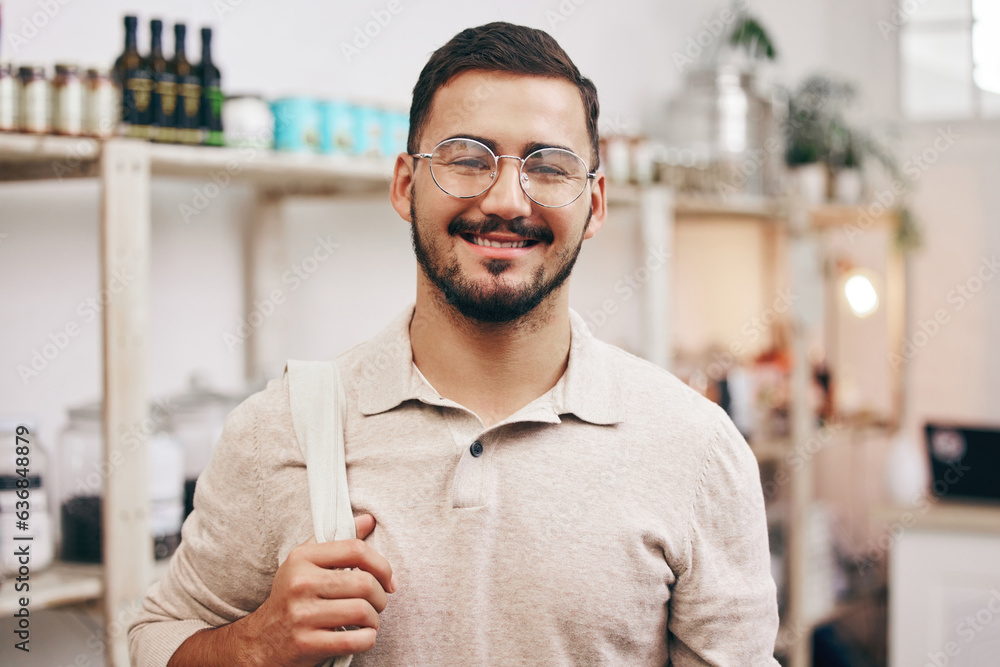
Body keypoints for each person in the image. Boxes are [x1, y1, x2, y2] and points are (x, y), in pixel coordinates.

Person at [128, 22, 779, 666]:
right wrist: (255, 643)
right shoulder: (281, 430)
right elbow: (152, 640)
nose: (505, 199)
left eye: (548, 166)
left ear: (596, 202)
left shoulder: (697, 448)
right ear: (406, 185)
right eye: (468, 158)